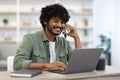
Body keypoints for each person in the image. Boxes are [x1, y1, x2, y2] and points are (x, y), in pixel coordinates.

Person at [13, 3, 82, 71]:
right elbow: (17, 64)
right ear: (45, 21)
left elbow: (78, 64)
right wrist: (46, 65)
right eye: (55, 21)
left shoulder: (64, 42)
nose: (59, 25)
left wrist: (76, 37)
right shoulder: (30, 39)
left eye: (62, 22)